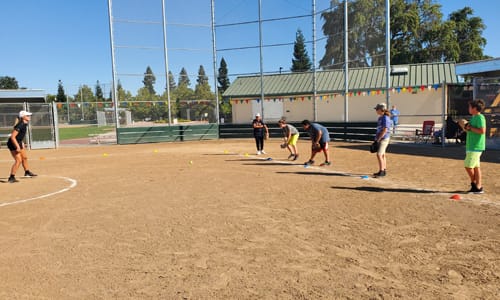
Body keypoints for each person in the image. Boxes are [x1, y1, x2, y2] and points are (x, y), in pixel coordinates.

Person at [7, 110, 37, 183]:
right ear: (23, 117)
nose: (29, 116)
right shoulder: (20, 125)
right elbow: (13, 137)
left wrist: (22, 142)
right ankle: (11, 177)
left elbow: (19, 136)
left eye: (29, 115)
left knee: (24, 157)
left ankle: (27, 172)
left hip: (18, 142)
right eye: (27, 115)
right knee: (18, 160)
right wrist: (17, 146)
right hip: (13, 143)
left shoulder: (24, 123)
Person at [463, 99, 486, 194]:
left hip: (475, 147)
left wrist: (470, 128)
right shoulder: (473, 117)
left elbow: (482, 131)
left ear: (475, 108)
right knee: (476, 167)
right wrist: (464, 126)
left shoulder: (480, 117)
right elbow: (470, 130)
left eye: (470, 107)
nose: (468, 108)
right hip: (471, 146)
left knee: (468, 166)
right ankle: (478, 187)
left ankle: (475, 184)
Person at [373, 103, 391, 177]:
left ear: (381, 109)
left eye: (377, 109)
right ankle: (383, 170)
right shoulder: (380, 118)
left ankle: (382, 171)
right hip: (381, 138)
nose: (376, 110)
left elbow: (384, 130)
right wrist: (376, 139)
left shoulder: (385, 118)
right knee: (382, 155)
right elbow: (379, 129)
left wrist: (378, 139)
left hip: (384, 138)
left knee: (379, 154)